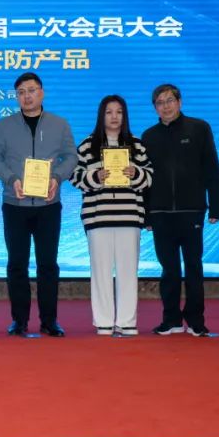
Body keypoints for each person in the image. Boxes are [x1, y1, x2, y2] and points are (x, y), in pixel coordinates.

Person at [0, 71, 78, 337]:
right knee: (17, 264)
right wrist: (11, 178)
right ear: (17, 97)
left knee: (48, 264)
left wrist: (57, 178)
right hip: (15, 204)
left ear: (42, 93)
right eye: (21, 92)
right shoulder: (5, 125)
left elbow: (71, 156)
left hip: (49, 205)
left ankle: (49, 321)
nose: (27, 96)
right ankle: (20, 321)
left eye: (32, 90)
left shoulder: (59, 124)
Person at [140, 83, 219, 338]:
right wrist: (146, 214)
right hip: (160, 214)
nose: (165, 106)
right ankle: (171, 320)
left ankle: (196, 321)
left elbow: (212, 168)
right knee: (169, 270)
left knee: (194, 267)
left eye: (169, 100)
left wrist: (216, 206)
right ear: (155, 108)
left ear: (180, 102)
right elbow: (144, 179)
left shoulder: (199, 128)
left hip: (192, 211)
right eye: (160, 102)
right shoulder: (148, 136)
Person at [70, 96, 153, 337]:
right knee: (101, 271)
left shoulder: (137, 145)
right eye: (109, 112)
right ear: (101, 115)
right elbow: (74, 176)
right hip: (98, 217)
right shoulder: (87, 145)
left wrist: (136, 174)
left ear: (125, 115)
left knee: (128, 271)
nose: (114, 117)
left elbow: (149, 177)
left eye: (119, 112)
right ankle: (104, 321)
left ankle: (127, 321)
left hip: (130, 216)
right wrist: (95, 177)